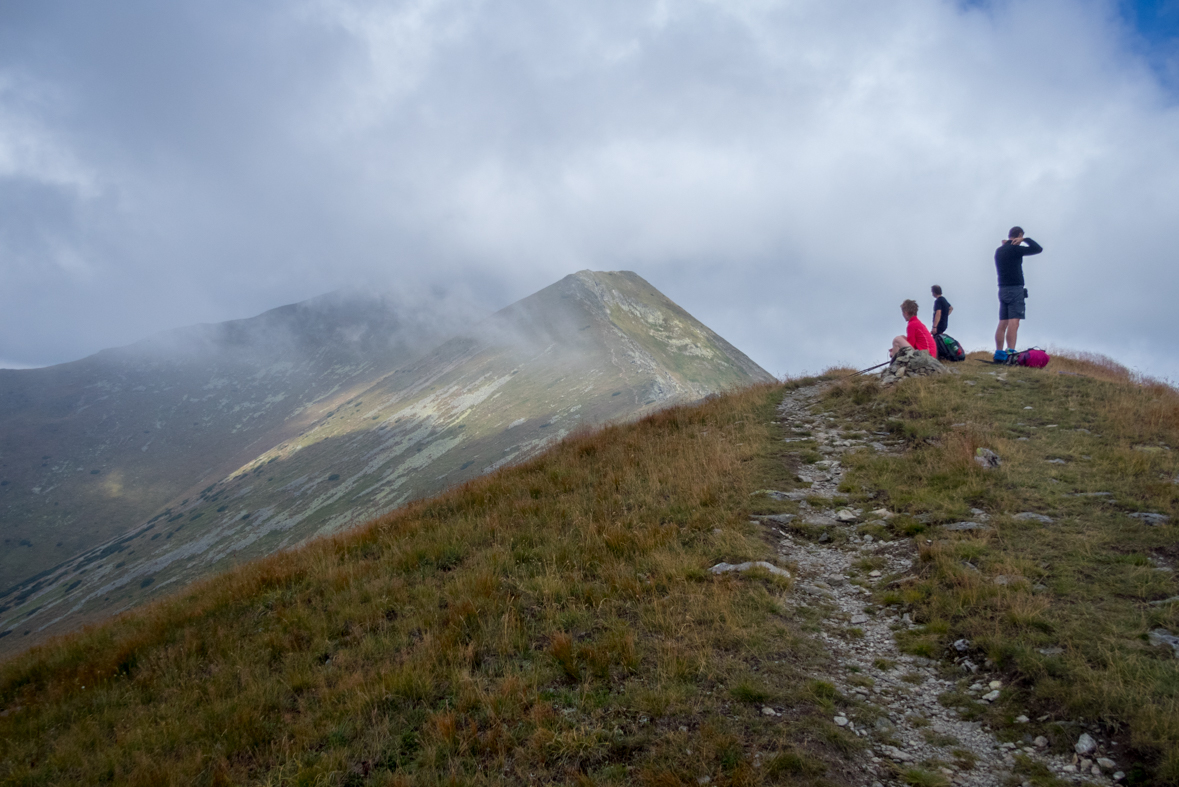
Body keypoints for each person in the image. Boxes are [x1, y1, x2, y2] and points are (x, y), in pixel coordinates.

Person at [993, 226, 1043, 358]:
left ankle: (998, 352)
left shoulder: (999, 251)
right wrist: (1025, 239)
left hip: (1002, 289)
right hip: (1015, 288)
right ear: (1019, 235)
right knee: (1014, 322)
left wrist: (1008, 244)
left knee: (1002, 322)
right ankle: (1010, 351)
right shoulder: (1016, 249)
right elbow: (1038, 249)